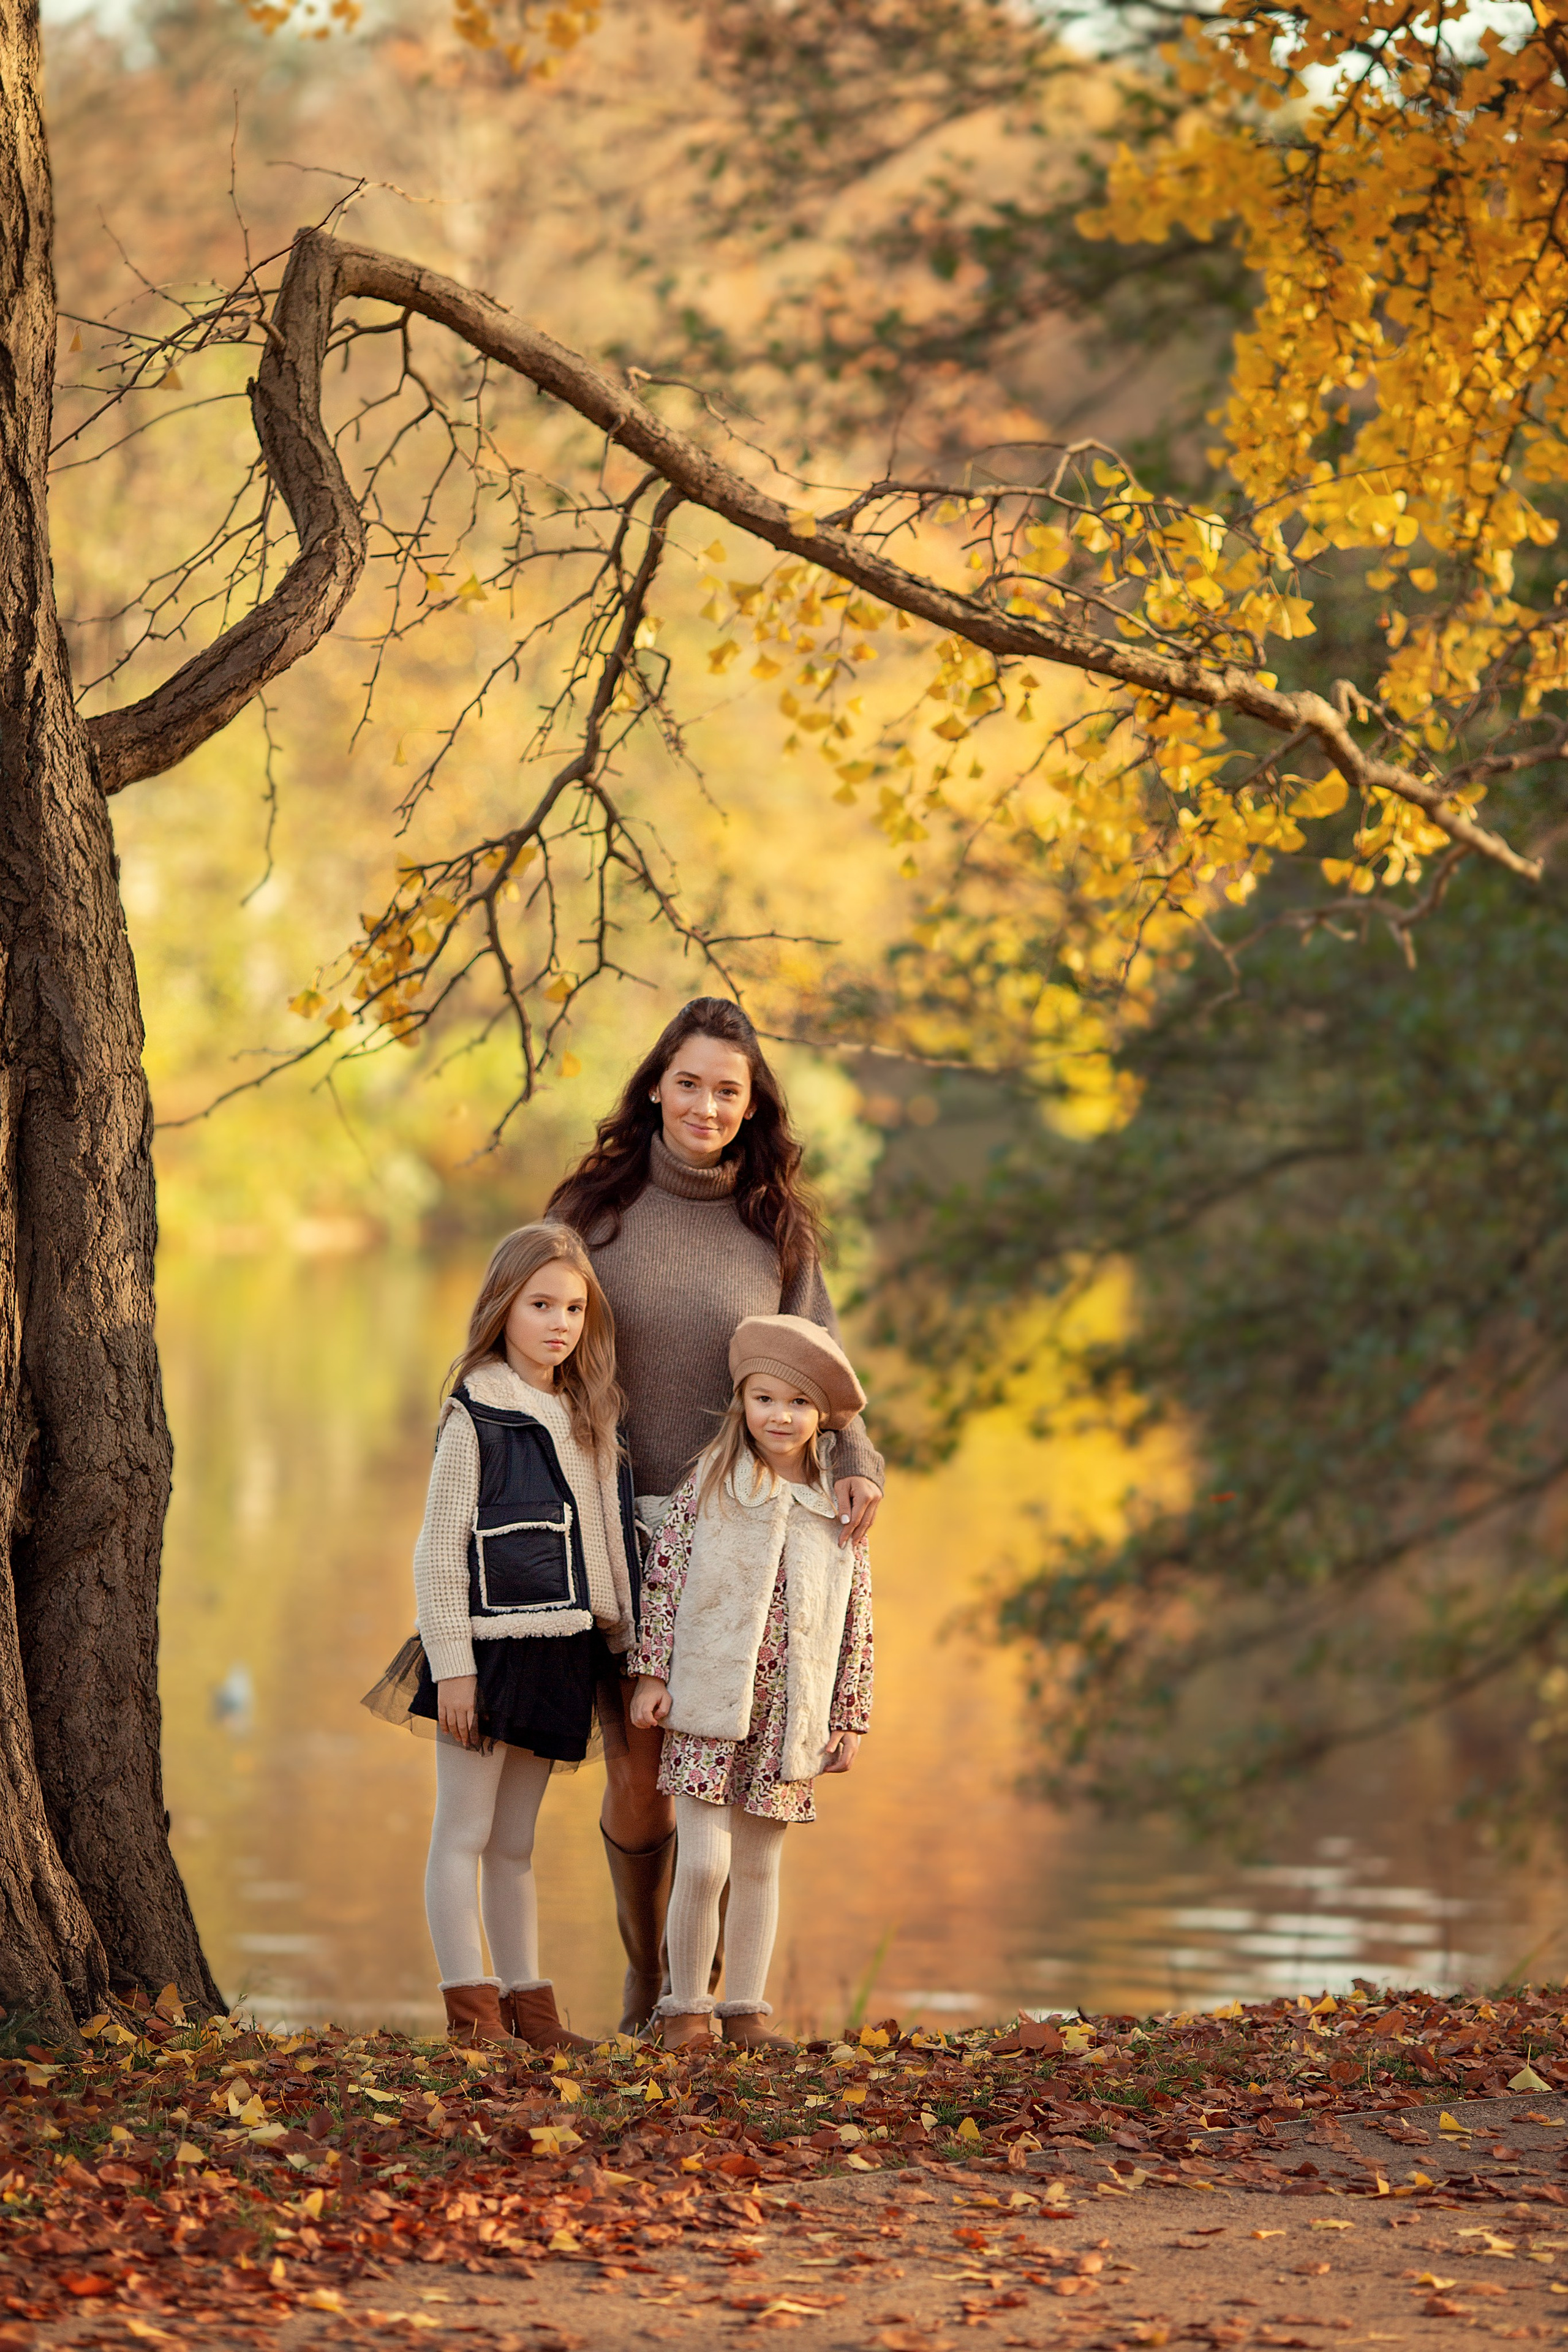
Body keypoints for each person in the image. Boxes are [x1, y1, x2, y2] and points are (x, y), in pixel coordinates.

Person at [548, 997, 885, 2030]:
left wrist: (856, 1456)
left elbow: (818, 1361)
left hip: (748, 1540)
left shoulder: (775, 1227)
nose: (705, 1104)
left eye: (727, 1091)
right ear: (657, 1085)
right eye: (688, 1082)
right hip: (624, 1527)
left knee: (734, 1771)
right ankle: (649, 1974)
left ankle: (714, 1999)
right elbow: (533, 1327)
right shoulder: (592, 1210)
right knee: (644, 1776)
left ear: (751, 1107)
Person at [402, 1222, 638, 2049]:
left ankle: (531, 2013)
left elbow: (605, 1545)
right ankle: (471, 2017)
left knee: (514, 1843)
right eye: (541, 1304)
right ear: (504, 1307)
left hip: (560, 1653)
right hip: (488, 1652)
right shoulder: (476, 1412)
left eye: (573, 1308)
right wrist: (454, 1669)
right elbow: (436, 1555)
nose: (558, 1323)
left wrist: (624, 1649)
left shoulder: (586, 1415)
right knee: (461, 1833)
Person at [626, 1314, 874, 2050]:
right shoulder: (713, 1483)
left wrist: (850, 1716)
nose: (781, 1416)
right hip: (707, 1702)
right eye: (766, 1399)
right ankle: (683, 2010)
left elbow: (858, 1616)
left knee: (761, 1864)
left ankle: (744, 2012)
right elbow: (664, 1580)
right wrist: (649, 1674)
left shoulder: (839, 1505)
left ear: (822, 1416)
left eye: (798, 1403)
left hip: (788, 1713)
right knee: (704, 1862)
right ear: (743, 1401)